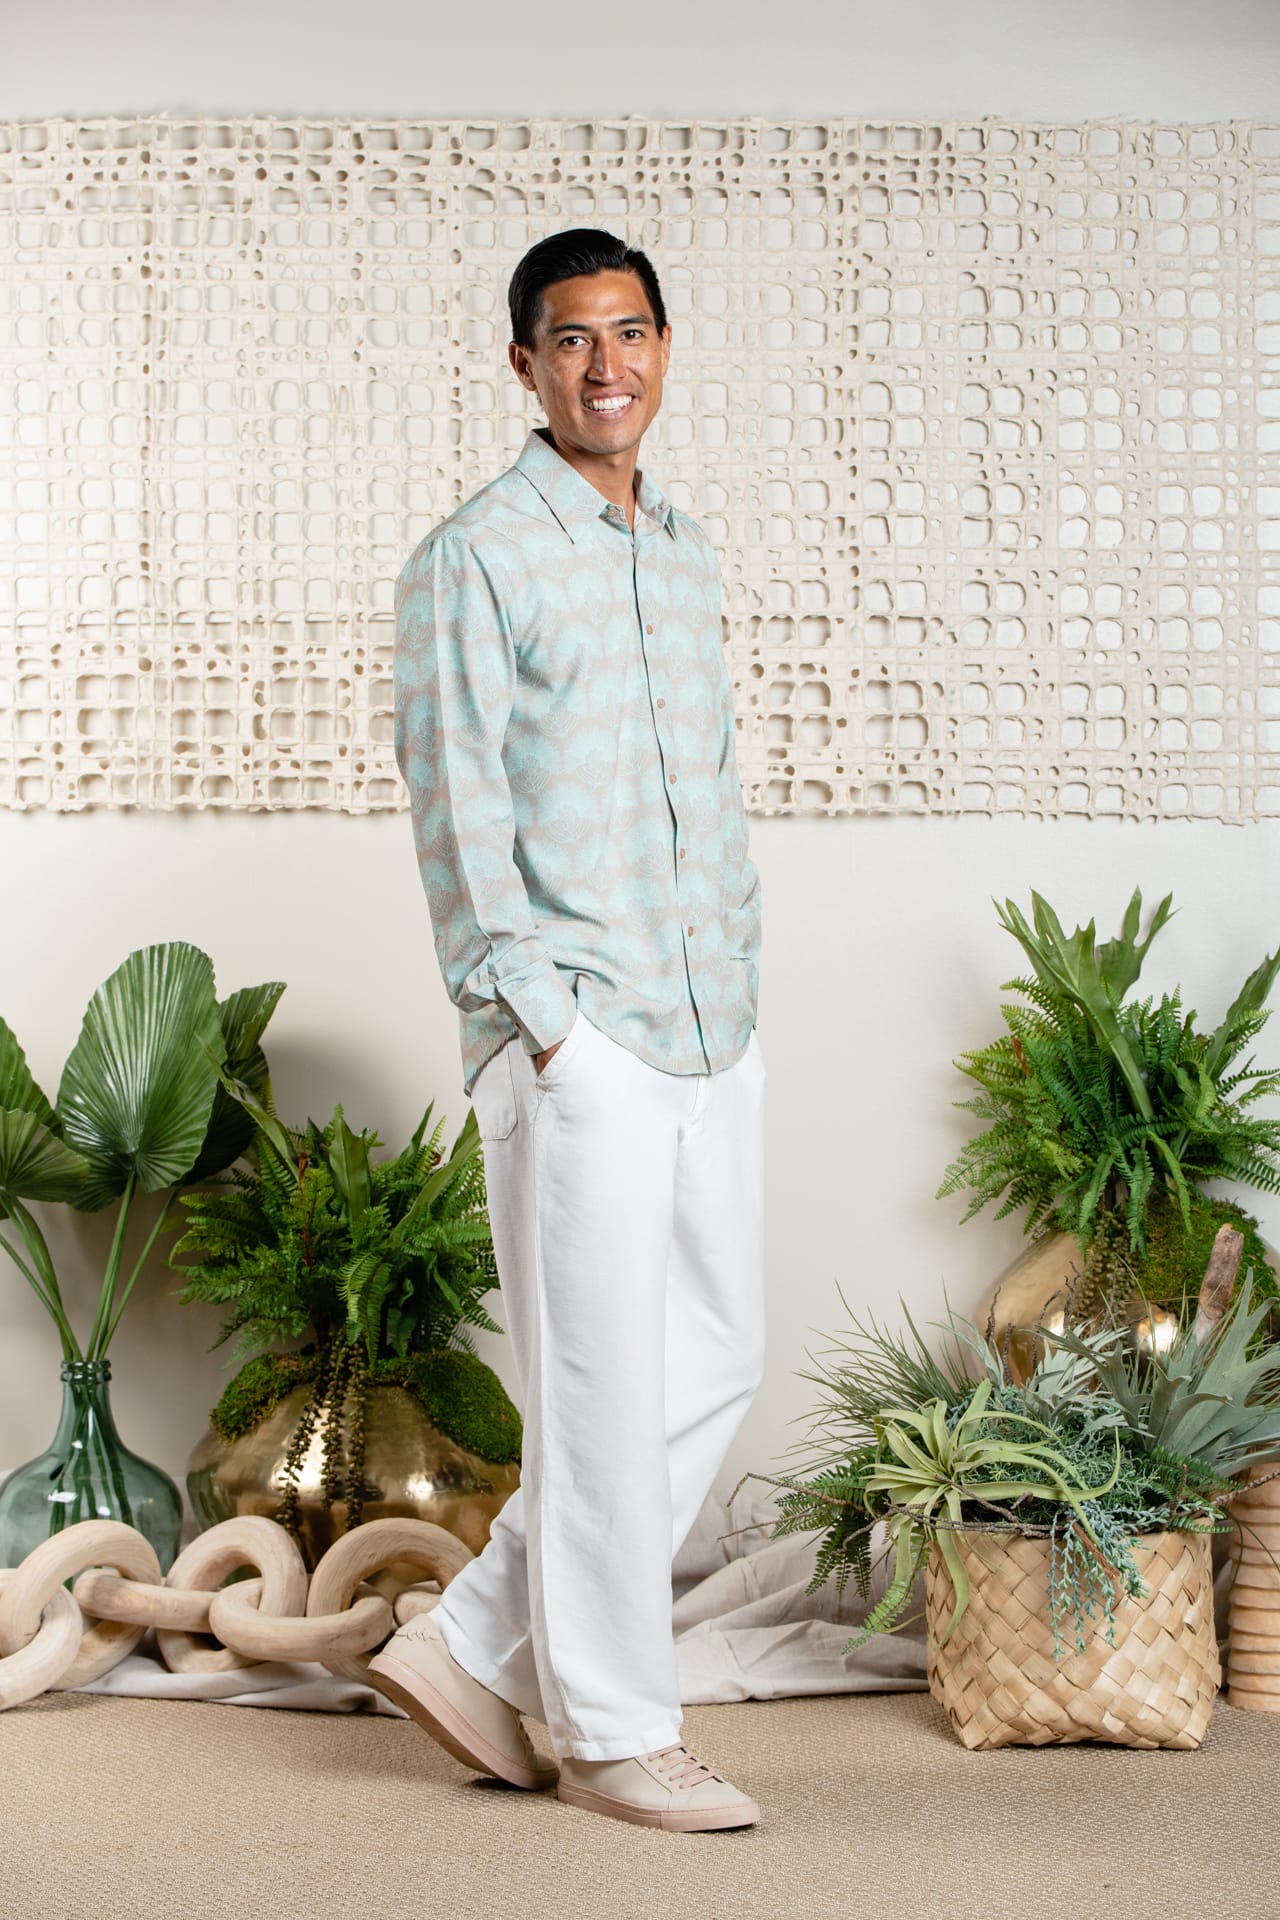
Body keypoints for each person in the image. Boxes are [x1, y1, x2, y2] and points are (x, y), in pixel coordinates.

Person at [374, 227, 765, 1834]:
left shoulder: (682, 553)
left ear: (665, 347)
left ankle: (471, 1637)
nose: (607, 366)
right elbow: (456, 805)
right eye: (571, 339)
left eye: (633, 333)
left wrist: (737, 974)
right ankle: (610, 1729)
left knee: (718, 1355)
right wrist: (541, 1024)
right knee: (600, 1387)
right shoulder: (471, 557)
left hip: (713, 1018)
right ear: (524, 365)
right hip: (579, 1034)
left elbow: (714, 789)